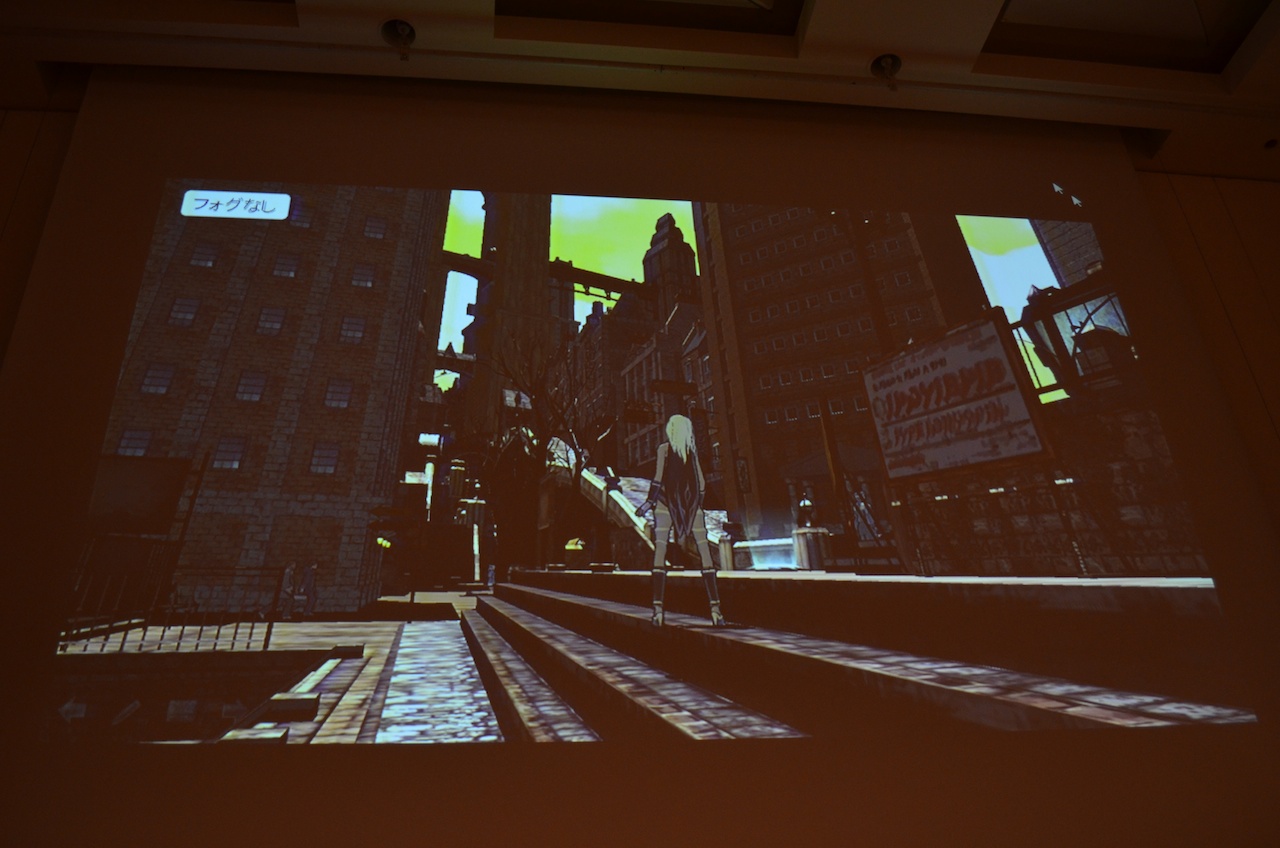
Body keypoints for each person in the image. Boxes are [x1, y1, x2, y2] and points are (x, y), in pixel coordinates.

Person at [637, 414, 725, 627]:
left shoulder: (664, 450)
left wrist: (648, 503)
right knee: (705, 552)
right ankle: (715, 610)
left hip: (665, 504)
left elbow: (658, 478)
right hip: (692, 506)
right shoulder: (691, 452)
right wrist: (695, 504)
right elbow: (701, 483)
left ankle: (658, 610)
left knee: (660, 550)